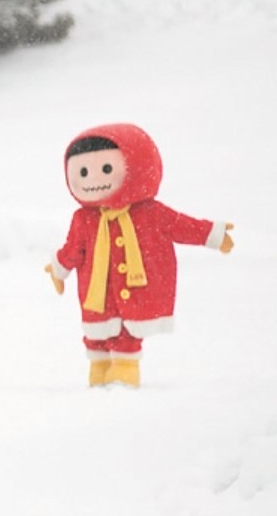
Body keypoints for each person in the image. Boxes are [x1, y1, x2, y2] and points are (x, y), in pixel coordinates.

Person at [45, 123, 234, 388]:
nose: (93, 181)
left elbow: (182, 225)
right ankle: (98, 370)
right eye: (83, 172)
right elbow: (74, 249)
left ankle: (124, 370)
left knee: (127, 331)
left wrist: (211, 234)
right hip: (96, 294)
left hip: (137, 289)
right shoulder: (83, 219)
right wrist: (59, 268)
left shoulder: (150, 213)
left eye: (106, 169)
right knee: (96, 334)